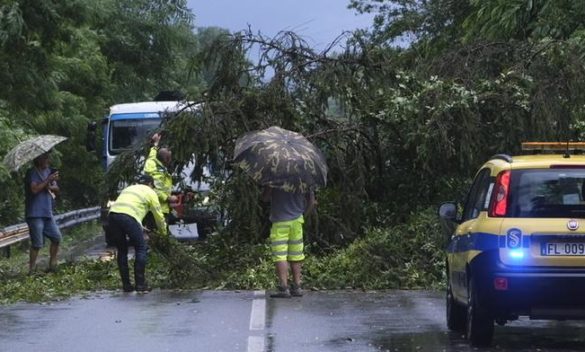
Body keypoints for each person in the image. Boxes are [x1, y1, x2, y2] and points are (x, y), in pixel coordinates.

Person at [107, 174, 167, 292]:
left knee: (122, 250)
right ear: (150, 184)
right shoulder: (151, 192)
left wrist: (139, 225)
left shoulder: (129, 189)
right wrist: (164, 234)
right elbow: (159, 217)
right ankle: (140, 284)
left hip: (113, 216)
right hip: (128, 217)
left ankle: (126, 285)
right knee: (140, 248)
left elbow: (127, 208)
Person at [262, 186, 316, 298]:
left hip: (280, 221)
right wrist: (302, 216)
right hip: (297, 221)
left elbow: (265, 198)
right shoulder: (304, 178)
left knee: (280, 255)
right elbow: (311, 202)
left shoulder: (276, 177)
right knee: (296, 254)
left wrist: (270, 186)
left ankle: (284, 288)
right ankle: (297, 286)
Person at [24, 152, 61, 274]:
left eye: (47, 157)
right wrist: (47, 181)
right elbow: (34, 189)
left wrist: (51, 185)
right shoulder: (32, 173)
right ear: (38, 159)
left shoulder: (50, 171)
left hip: (48, 212)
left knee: (56, 238)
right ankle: (32, 269)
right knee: (37, 243)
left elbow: (56, 190)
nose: (47, 160)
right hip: (35, 214)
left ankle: (53, 264)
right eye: (44, 158)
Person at [144, 132, 177, 220]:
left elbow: (152, 155)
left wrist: (155, 143)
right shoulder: (159, 173)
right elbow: (154, 190)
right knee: (159, 232)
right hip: (158, 210)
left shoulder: (151, 163)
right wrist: (168, 198)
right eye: (170, 158)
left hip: (153, 208)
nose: (171, 160)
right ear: (166, 159)